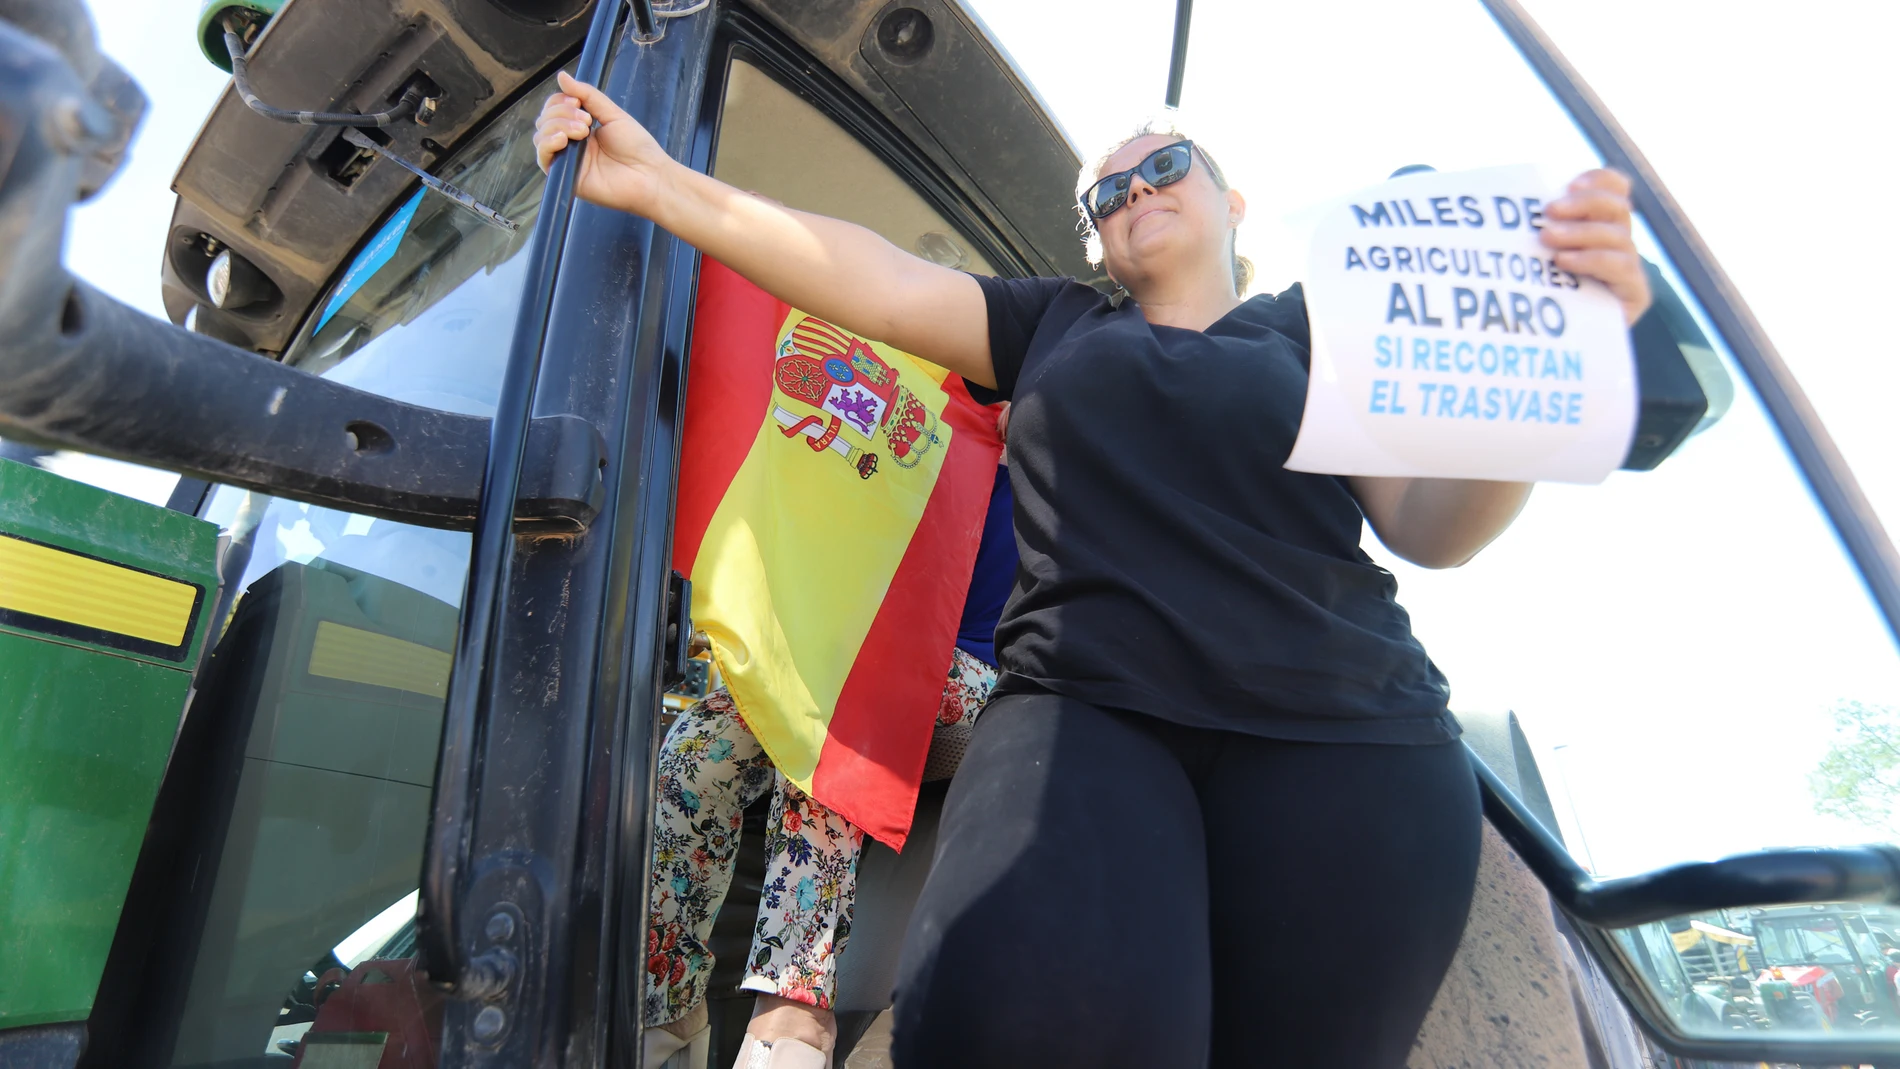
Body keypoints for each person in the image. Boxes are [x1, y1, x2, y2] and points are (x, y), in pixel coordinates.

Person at [536, 71, 1658, 1067]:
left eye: (1162, 168)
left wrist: (1537, 358)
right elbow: (867, 278)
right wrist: (657, 185)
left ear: (1233, 203)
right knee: (1031, 1021)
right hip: (1082, 707)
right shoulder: (1056, 325)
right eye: (1106, 196)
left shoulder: (1318, 329)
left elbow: (1430, 525)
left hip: (1350, 731)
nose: (1133, 195)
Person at [643, 438, 1018, 1069]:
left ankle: (796, 1010)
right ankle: (670, 997)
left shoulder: (1036, 416)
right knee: (697, 750)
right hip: (837, 658)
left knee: (833, 708)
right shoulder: (879, 404)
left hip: (974, 673)